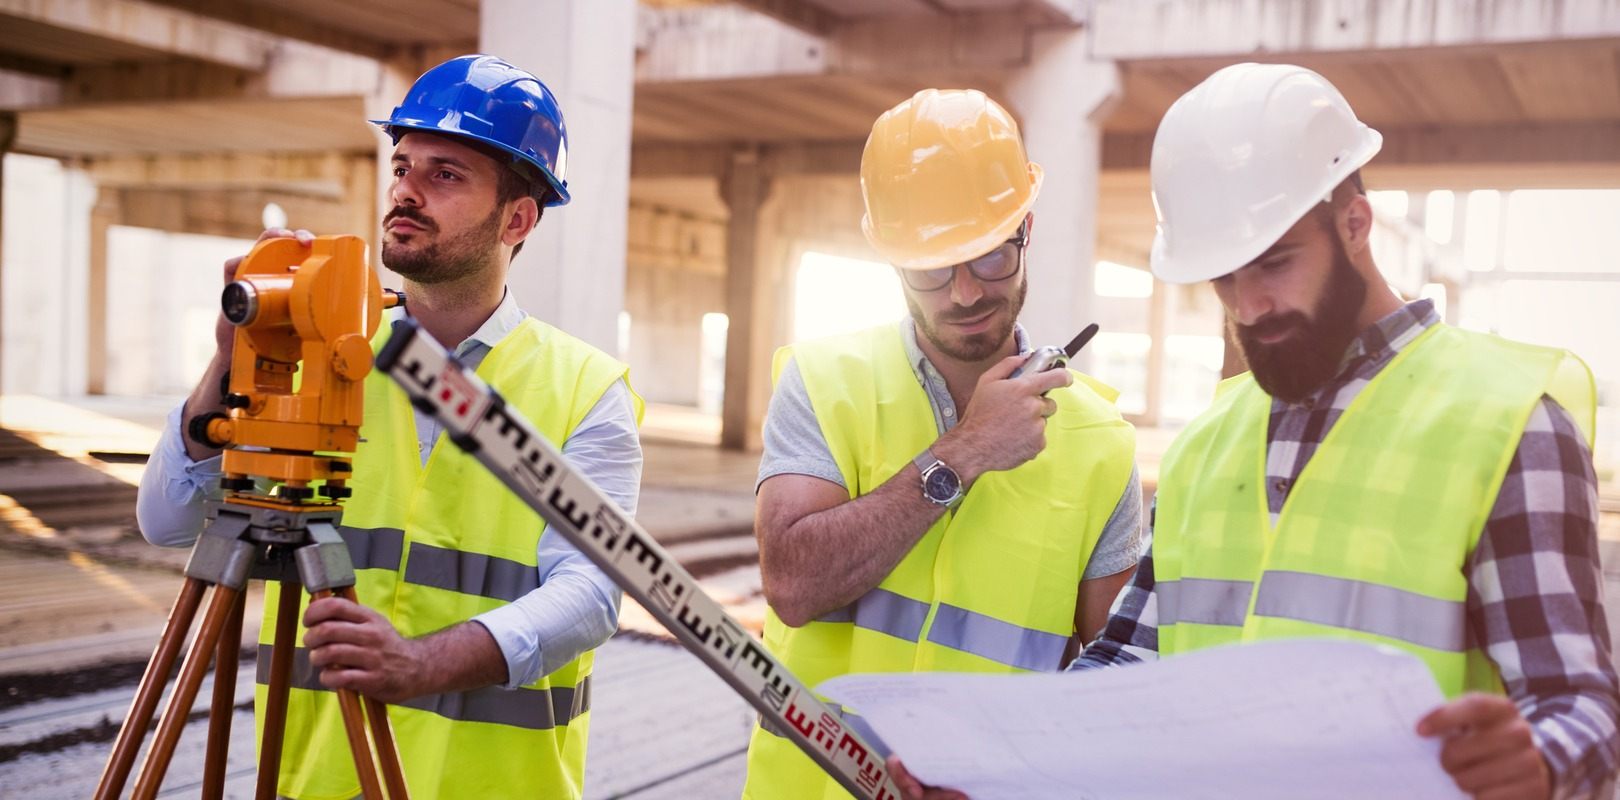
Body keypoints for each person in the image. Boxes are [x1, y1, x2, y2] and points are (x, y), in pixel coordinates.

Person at [891, 63, 1619, 800]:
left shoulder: (1510, 423)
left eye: (1274, 263)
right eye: (1223, 277)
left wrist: (1541, 761)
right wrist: (996, 772)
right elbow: (1128, 666)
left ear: (1355, 225)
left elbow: (1581, 708)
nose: (1249, 305)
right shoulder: (1210, 442)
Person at [135, 54, 641, 799]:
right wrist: (228, 361)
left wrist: (423, 662)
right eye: (403, 166)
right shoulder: (315, 352)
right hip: (317, 782)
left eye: (445, 174)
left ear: (518, 218)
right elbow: (166, 519)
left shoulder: (585, 388)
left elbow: (593, 594)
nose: (405, 190)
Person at [743, 88, 1141, 799]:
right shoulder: (823, 380)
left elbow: (1109, 679)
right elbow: (794, 587)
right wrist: (965, 451)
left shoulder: (1100, 441)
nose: (962, 293)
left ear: (1026, 228)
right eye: (931, 267)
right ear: (892, 260)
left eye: (988, 256)